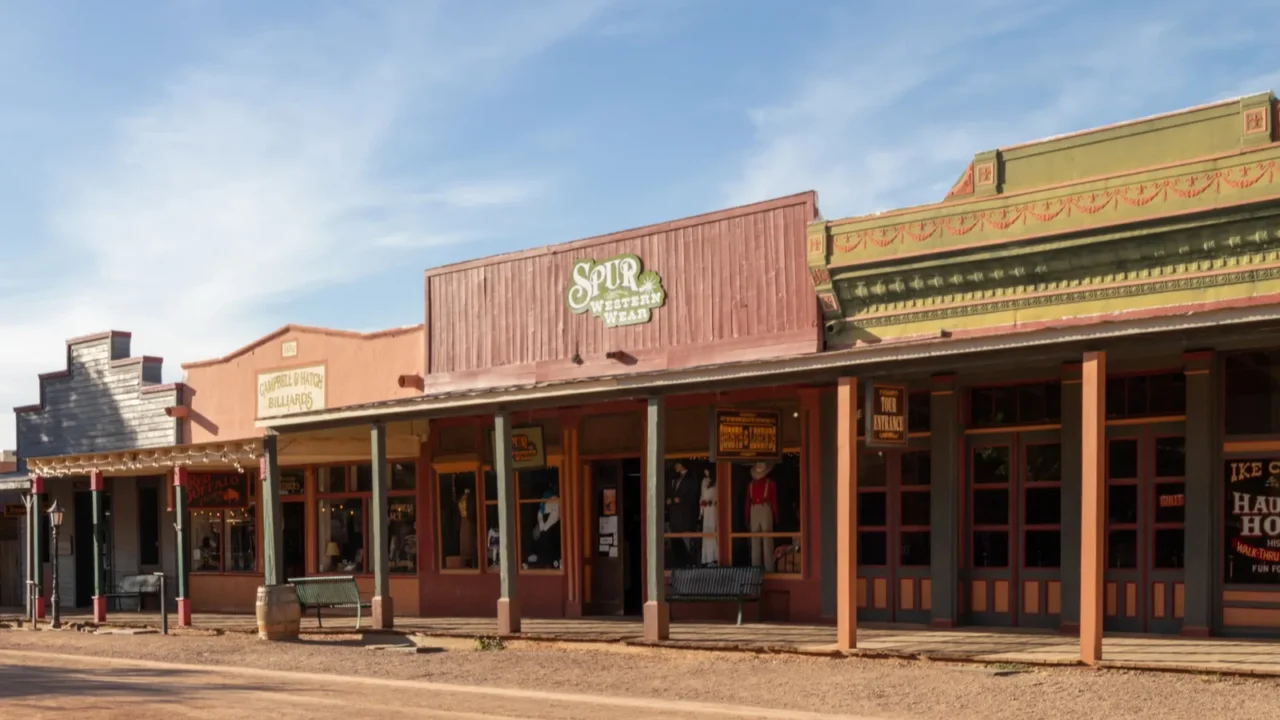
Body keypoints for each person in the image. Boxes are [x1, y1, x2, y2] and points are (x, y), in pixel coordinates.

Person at [745, 461, 778, 571]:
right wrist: (747, 518)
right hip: (754, 509)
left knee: (767, 539)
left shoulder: (770, 483)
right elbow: (747, 503)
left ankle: (769, 569)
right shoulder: (750, 485)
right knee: (755, 540)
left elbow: (774, 501)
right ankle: (756, 569)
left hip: (765, 508)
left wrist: (775, 516)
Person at [699, 468, 718, 565]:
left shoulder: (717, 481)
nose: (706, 473)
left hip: (714, 509)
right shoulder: (704, 481)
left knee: (714, 530)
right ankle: (707, 558)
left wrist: (712, 502)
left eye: (707, 471)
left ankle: (715, 557)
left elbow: (719, 496)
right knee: (707, 531)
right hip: (706, 510)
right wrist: (702, 507)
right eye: (705, 471)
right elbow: (702, 495)